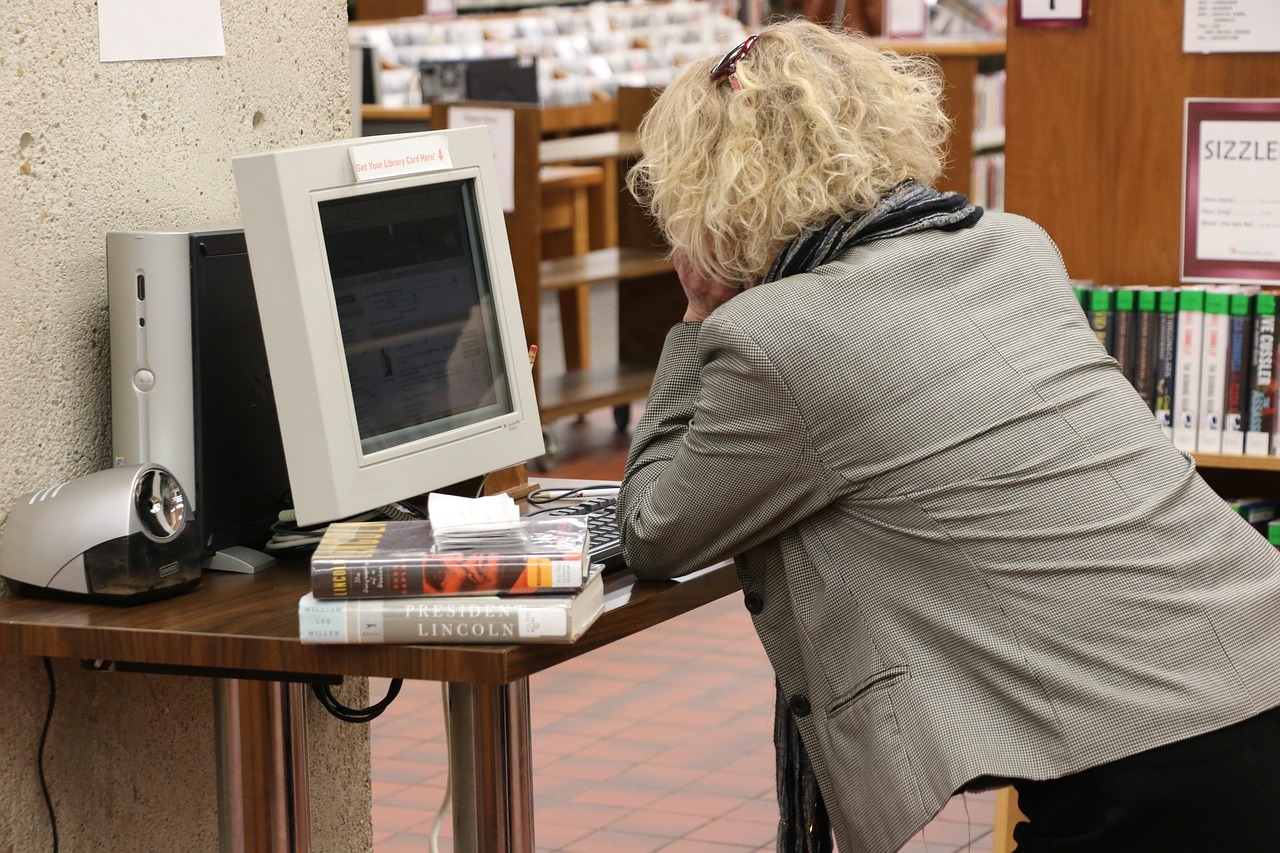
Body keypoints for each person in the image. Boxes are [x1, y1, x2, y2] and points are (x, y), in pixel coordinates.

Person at [616, 18, 1280, 853]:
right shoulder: (1010, 242)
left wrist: (695, 317)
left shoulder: (774, 337)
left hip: (1154, 763)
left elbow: (655, 531)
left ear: (705, 185)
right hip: (1254, 657)